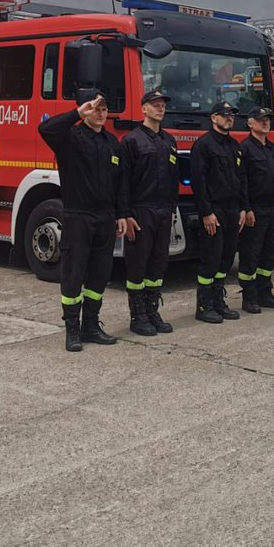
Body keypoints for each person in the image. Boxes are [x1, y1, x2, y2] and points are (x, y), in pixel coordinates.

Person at [37, 90, 126, 352]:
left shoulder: (112, 142)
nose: (100, 113)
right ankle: (72, 329)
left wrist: (121, 214)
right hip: (78, 216)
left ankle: (91, 325)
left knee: (100, 274)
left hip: (106, 218)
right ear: (85, 109)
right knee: (74, 274)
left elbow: (119, 183)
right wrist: (77, 113)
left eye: (104, 109)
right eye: (95, 108)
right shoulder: (70, 138)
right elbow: (45, 128)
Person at [119, 89, 180, 336]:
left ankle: (152, 309)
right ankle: (138, 315)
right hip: (140, 211)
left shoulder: (169, 141)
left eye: (162, 105)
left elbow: (173, 178)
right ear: (143, 109)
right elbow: (122, 181)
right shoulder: (131, 141)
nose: (160, 108)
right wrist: (125, 213)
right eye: (154, 105)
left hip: (164, 210)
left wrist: (173, 208)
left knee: (158, 263)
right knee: (138, 264)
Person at [189, 101, 246, 323]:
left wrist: (242, 208)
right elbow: (198, 181)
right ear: (213, 118)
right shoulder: (203, 145)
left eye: (231, 115)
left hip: (232, 209)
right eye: (225, 115)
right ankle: (204, 305)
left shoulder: (233, 145)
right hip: (214, 210)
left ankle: (218, 301)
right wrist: (206, 212)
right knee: (210, 258)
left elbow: (241, 179)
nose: (229, 118)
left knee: (225, 258)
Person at [237, 107, 274, 313]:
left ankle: (264, 292)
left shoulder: (272, 148)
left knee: (269, 254)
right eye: (260, 120)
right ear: (250, 124)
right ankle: (249, 297)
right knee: (251, 254)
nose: (265, 122)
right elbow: (242, 182)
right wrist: (247, 208)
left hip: (273, 209)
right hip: (256, 210)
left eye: (267, 119)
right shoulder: (245, 149)